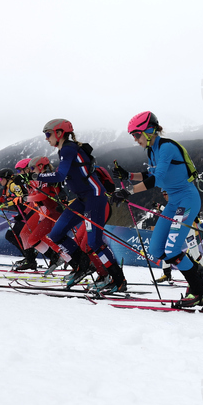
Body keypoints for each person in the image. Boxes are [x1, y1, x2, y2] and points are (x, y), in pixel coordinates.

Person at [112, 111, 203, 308]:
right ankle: (195, 271)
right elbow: (151, 173)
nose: (135, 140)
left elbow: (157, 179)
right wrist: (128, 175)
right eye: (133, 136)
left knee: (172, 250)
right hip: (174, 203)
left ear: (148, 131)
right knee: (156, 250)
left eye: (137, 135)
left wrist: (128, 191)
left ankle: (198, 291)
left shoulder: (166, 147)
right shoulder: (152, 150)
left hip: (187, 200)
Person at [35, 118, 126, 292]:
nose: (46, 138)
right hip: (82, 199)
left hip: (94, 197)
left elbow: (60, 175)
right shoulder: (65, 150)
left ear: (59, 133)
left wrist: (36, 177)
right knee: (56, 233)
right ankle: (81, 265)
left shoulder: (68, 149)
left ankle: (118, 280)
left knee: (94, 243)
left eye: (48, 134)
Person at [0, 168, 37, 270]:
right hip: (22, 214)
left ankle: (31, 258)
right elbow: (0, 201)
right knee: (11, 235)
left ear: (7, 177)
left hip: (28, 213)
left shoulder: (14, 185)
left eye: (0, 178)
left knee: (13, 235)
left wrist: (6, 204)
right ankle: (29, 257)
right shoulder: (6, 188)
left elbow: (21, 198)